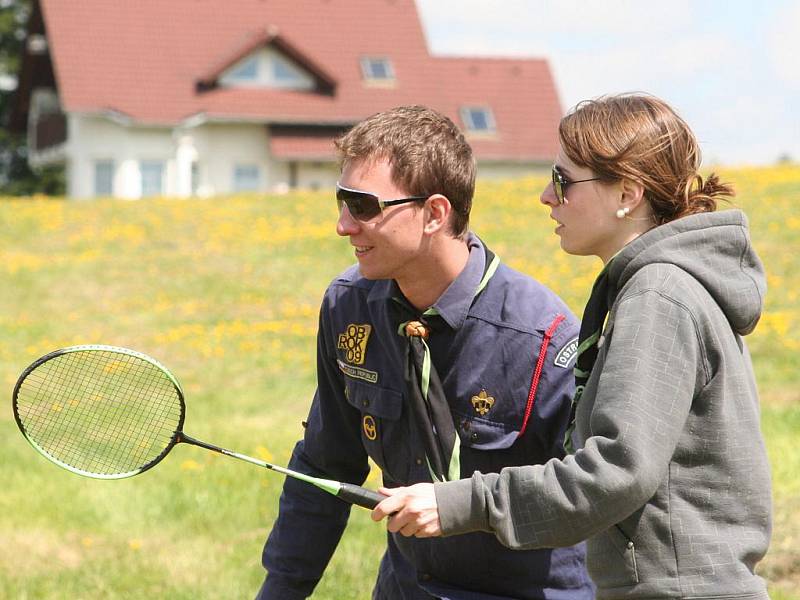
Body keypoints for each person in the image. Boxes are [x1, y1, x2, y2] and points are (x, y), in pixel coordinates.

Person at [372, 94, 773, 599]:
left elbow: (616, 471)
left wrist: (459, 503)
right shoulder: (667, 287)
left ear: (627, 192)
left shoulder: (659, 295)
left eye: (563, 180)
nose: (546, 195)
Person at [255, 105, 594, 599]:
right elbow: (326, 465)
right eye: (340, 201)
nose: (343, 225)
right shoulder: (349, 306)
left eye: (363, 205)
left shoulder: (542, 337)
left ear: (435, 213)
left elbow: (590, 493)